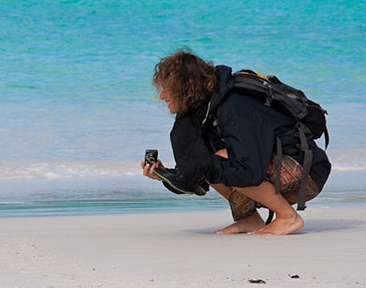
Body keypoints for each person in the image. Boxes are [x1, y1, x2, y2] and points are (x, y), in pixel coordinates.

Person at [141, 50, 331, 235]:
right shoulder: (205, 111)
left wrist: (206, 166)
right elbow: (200, 171)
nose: (162, 96)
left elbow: (248, 172)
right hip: (274, 167)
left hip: (306, 173)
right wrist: (165, 174)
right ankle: (249, 219)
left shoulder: (235, 107)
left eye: (166, 88)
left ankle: (288, 217)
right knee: (208, 159)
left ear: (184, 88)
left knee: (218, 160)